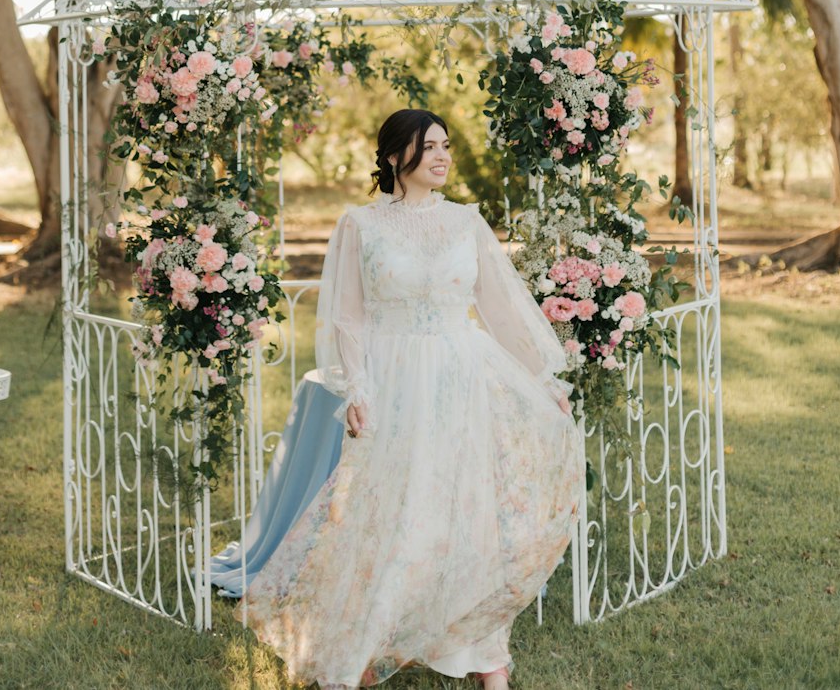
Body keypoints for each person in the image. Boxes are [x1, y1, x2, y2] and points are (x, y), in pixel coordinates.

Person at [239, 108, 583, 689]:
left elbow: (501, 309)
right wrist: (357, 389)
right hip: (395, 382)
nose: (444, 156)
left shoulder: (467, 221)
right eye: (431, 147)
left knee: (467, 514)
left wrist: (546, 379)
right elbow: (349, 317)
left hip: (462, 380)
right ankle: (364, 650)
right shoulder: (360, 225)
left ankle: (484, 659)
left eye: (447, 145)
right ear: (397, 156)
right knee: (388, 517)